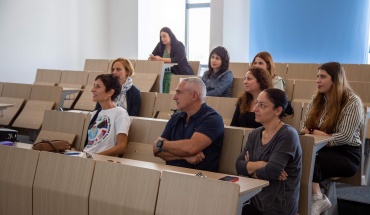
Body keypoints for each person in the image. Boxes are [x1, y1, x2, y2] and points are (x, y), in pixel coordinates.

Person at [300, 62, 364, 215]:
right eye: (317, 76)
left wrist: (320, 138)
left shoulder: (352, 102)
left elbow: (345, 136)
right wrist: (314, 131)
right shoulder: (316, 100)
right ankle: (311, 198)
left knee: (311, 161)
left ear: (335, 80)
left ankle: (316, 198)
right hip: (319, 149)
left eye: (323, 77)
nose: (318, 80)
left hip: (345, 154)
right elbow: (303, 128)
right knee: (300, 158)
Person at [236, 88, 301, 215]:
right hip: (253, 199)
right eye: (256, 103)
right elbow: (239, 165)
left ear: (278, 110)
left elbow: (272, 172)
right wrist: (263, 164)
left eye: (262, 105)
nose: (255, 109)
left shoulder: (287, 134)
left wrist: (251, 169)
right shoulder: (254, 134)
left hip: (277, 205)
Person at [152, 77, 224, 172]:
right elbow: (157, 151)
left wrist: (161, 143)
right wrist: (184, 158)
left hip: (199, 178)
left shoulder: (212, 118)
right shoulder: (176, 117)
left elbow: (190, 148)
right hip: (171, 174)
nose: (174, 97)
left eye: (179, 92)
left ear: (194, 96)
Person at [84, 74, 131, 156]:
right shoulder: (95, 113)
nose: (92, 90)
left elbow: (121, 147)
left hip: (100, 161)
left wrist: (94, 157)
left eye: (97, 87)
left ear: (110, 92)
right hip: (86, 156)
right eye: (94, 86)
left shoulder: (120, 113)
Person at [149, 27, 193, 93]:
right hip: (165, 71)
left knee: (166, 77)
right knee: (157, 77)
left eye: (164, 36)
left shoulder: (179, 45)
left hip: (180, 71)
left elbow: (176, 59)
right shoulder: (160, 45)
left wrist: (160, 59)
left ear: (170, 35)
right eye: (161, 37)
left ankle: (166, 98)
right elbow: (153, 55)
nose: (162, 39)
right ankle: (158, 99)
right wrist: (152, 58)